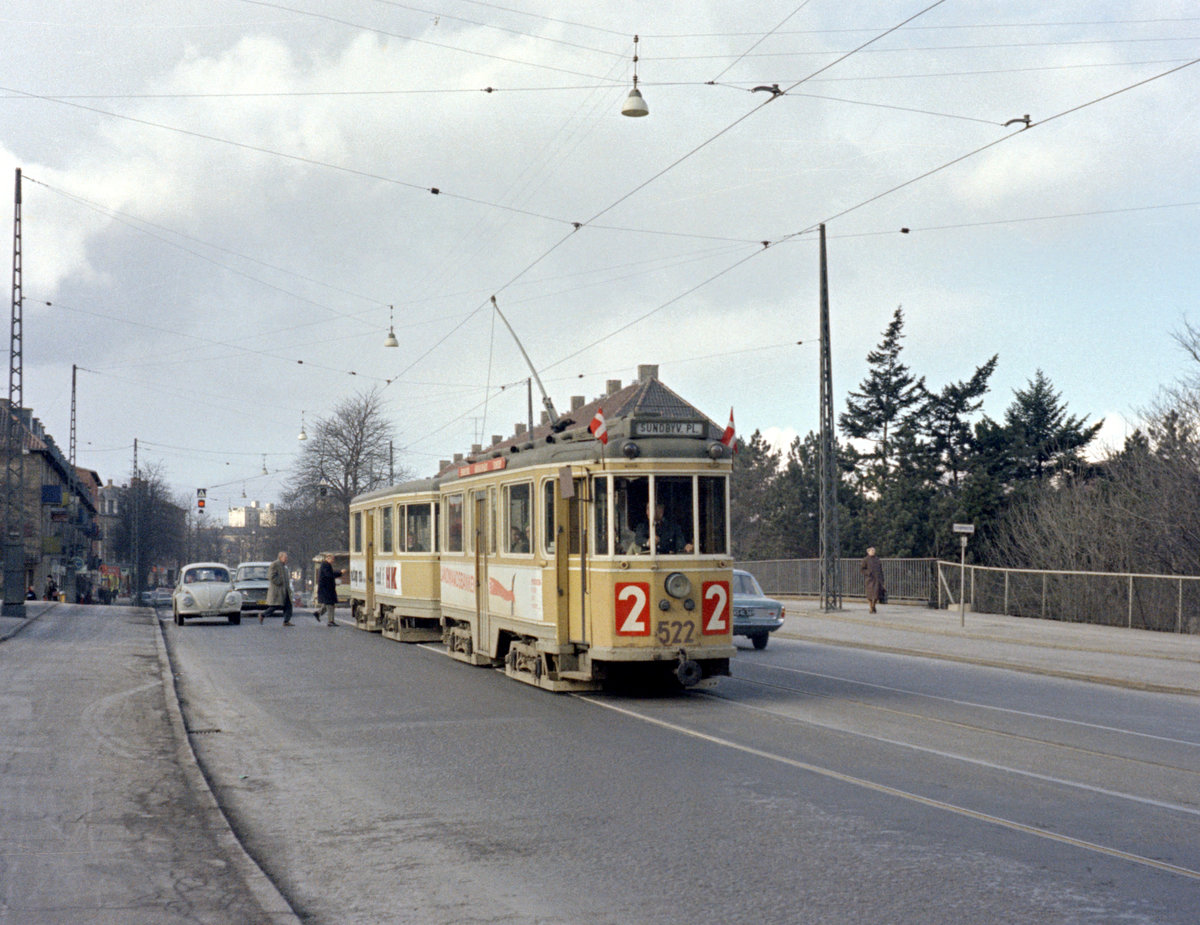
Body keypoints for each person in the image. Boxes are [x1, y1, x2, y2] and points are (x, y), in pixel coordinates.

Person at [260, 551, 294, 625]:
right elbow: (271, 576)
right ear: (280, 557)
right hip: (278, 591)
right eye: (285, 557)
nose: (286, 559)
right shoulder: (275, 564)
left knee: (288, 606)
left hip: (285, 591)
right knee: (275, 606)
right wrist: (280, 581)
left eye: (286, 557)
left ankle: (286, 621)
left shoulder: (284, 567)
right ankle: (263, 615)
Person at [315, 553, 343, 627]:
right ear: (328, 558)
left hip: (327, 588)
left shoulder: (326, 565)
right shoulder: (325, 565)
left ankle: (318, 613)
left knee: (327, 603)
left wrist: (339, 573)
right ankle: (330, 621)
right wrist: (340, 573)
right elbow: (329, 575)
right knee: (330, 605)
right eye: (332, 559)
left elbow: (330, 574)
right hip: (326, 588)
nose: (333, 561)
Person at [861, 547, 885, 614]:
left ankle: (873, 606)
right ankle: (871, 607)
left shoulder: (877, 559)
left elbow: (880, 569)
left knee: (876, 594)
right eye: (871, 551)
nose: (873, 552)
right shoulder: (865, 559)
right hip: (869, 579)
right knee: (869, 595)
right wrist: (868, 573)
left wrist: (882, 579)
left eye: (874, 550)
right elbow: (862, 569)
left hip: (877, 579)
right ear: (868, 552)